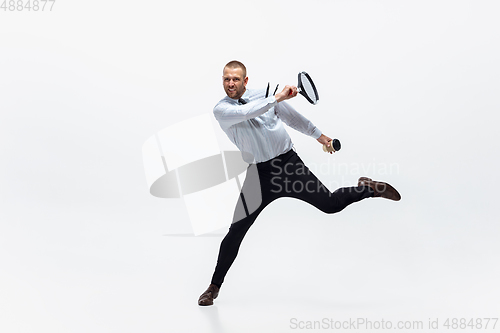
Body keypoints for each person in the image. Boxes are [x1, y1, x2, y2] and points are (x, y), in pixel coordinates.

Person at [198, 60, 401, 306]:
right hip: (261, 176)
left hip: (289, 165)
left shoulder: (266, 94)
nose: (230, 84)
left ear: (245, 81)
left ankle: (368, 188)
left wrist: (321, 137)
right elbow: (247, 112)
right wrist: (278, 97)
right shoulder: (222, 109)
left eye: (235, 79)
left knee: (331, 205)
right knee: (236, 231)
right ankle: (214, 287)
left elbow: (293, 118)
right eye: (226, 79)